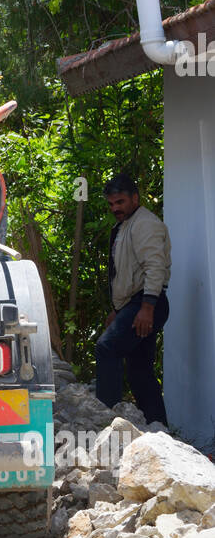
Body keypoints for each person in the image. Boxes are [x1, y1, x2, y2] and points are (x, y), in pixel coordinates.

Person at [95, 173, 171, 424]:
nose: (115, 208)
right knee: (140, 372)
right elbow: (129, 273)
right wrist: (119, 310)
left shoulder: (145, 223)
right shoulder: (128, 223)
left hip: (148, 302)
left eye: (120, 202)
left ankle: (105, 420)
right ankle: (159, 429)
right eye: (111, 204)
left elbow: (155, 267)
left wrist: (146, 307)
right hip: (137, 303)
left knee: (107, 347)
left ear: (135, 198)